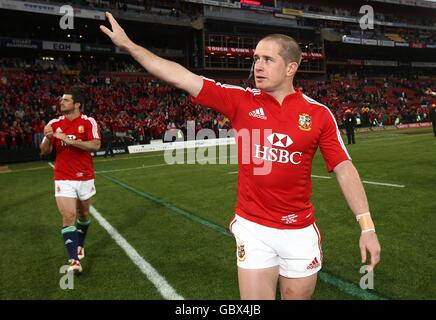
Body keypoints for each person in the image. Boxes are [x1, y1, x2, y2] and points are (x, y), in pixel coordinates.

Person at [100, 12, 381, 299]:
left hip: (299, 231)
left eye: (268, 60)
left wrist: (367, 226)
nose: (258, 66)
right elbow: (182, 77)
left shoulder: (318, 114)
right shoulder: (241, 101)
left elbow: (344, 168)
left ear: (290, 68)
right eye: (256, 58)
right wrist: (130, 45)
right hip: (254, 227)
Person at [40, 86, 101, 274]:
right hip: (63, 177)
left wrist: (69, 140)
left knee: (83, 216)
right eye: (61, 100)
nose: (61, 102)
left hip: (85, 176)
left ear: (77, 104)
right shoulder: (54, 123)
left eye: (65, 100)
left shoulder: (89, 122)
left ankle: (80, 245)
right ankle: (73, 260)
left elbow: (96, 145)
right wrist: (49, 138)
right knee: (68, 217)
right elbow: (44, 151)